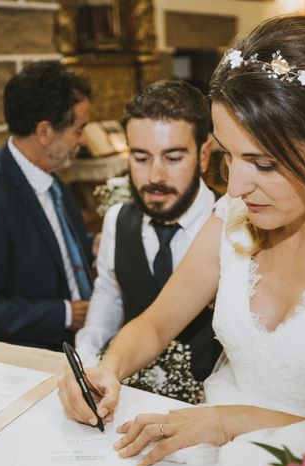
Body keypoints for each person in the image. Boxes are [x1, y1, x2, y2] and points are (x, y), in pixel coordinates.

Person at [58, 15, 305, 466]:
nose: (234, 189)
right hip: (207, 457)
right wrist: (107, 369)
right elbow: (153, 325)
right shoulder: (233, 218)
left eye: (264, 163)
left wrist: (238, 422)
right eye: (230, 156)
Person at [75, 80, 222, 404]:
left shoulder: (231, 226)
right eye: (141, 158)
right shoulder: (117, 220)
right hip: (130, 398)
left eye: (172, 158)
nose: (155, 176)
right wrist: (87, 364)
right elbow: (110, 296)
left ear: (202, 155)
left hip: (212, 406)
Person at [0, 61, 95, 351]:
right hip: (39, 355)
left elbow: (47, 246)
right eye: (79, 129)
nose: (84, 139)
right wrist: (64, 314)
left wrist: (92, 244)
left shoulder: (44, 173)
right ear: (44, 133)